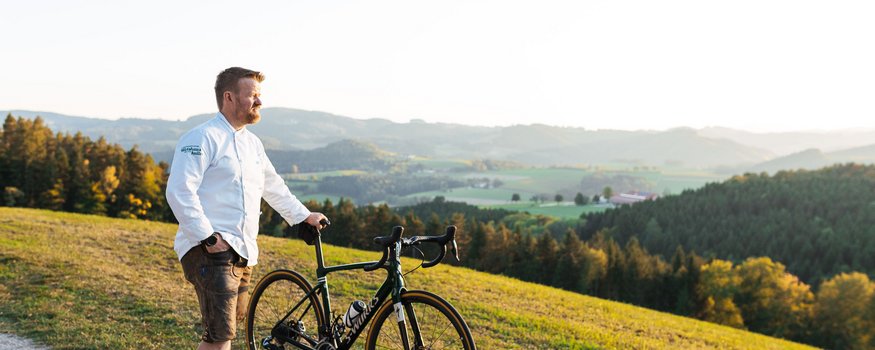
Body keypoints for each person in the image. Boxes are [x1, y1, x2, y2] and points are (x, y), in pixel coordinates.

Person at [166, 67, 328, 350]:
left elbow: (273, 187)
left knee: (223, 333)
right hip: (210, 250)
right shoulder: (201, 137)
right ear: (229, 97)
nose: (259, 101)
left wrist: (304, 216)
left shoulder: (253, 144)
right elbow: (179, 191)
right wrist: (208, 237)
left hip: (244, 252)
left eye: (259, 95)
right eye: (253, 95)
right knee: (220, 337)